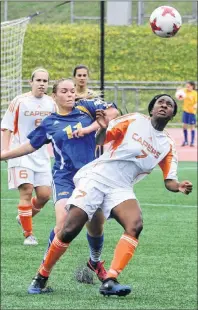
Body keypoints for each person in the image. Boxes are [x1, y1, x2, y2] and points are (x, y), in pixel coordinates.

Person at [25, 94, 193, 296]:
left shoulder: (168, 145)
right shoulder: (134, 120)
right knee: (70, 228)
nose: (164, 105)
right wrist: (103, 127)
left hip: (121, 187)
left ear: (173, 114)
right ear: (152, 109)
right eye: (160, 102)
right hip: (98, 176)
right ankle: (41, 276)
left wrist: (179, 186)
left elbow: (169, 180)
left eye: (169, 105)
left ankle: (110, 280)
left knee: (135, 224)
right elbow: (102, 140)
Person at [1, 78, 119, 283]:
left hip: (92, 177)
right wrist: (5, 155)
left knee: (96, 224)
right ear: (54, 96)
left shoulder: (87, 107)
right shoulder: (49, 123)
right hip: (65, 177)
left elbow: (113, 111)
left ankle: (95, 261)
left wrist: (89, 129)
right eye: (64, 91)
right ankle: (42, 273)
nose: (70, 94)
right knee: (63, 226)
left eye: (72, 91)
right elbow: (30, 145)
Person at [1, 68, 56, 245]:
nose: (42, 84)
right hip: (20, 153)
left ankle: (23, 216)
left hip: (41, 156)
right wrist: (5, 151)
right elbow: (7, 127)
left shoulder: (51, 104)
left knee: (44, 195)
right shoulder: (19, 101)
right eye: (38, 80)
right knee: (26, 190)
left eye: (45, 81)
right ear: (30, 82)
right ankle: (28, 234)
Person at [178, 81, 197, 147]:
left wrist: (195, 105)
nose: (187, 87)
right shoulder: (185, 91)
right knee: (184, 126)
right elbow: (179, 93)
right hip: (185, 111)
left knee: (192, 127)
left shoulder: (195, 93)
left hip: (192, 112)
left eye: (188, 86)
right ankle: (186, 141)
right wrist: (178, 90)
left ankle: (192, 142)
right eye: (186, 86)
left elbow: (197, 102)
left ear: (192, 86)